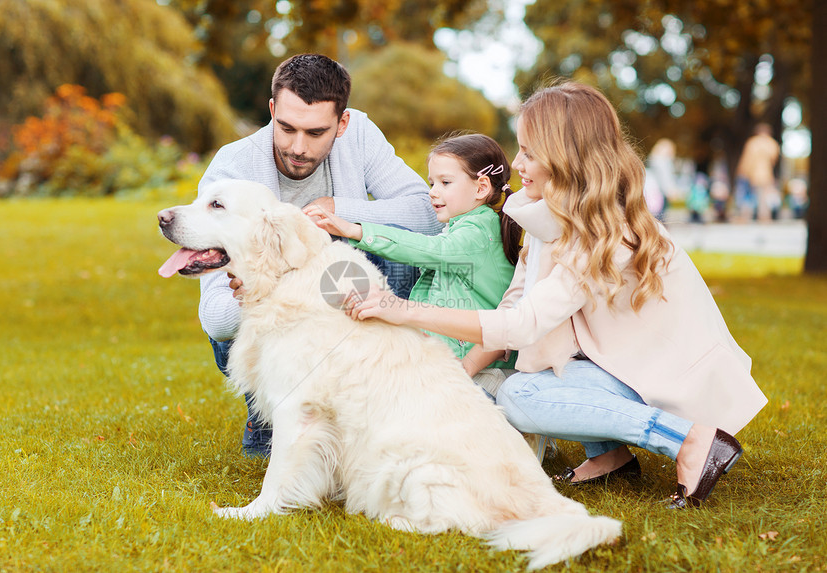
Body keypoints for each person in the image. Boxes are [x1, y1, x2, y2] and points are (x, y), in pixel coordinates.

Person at [343, 81, 768, 509]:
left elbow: (524, 324)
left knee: (523, 395)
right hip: (617, 365)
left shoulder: (605, 231)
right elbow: (512, 305)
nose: (516, 162)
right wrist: (458, 373)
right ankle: (610, 457)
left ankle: (690, 441)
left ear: (567, 158)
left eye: (529, 151)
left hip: (667, 376)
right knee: (522, 383)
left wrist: (406, 310)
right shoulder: (554, 218)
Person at [197, 53, 441, 458]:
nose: (297, 147)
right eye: (286, 127)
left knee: (398, 248)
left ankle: (373, 406)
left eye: (315, 133)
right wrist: (262, 281)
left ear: (342, 124)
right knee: (239, 318)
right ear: (272, 109)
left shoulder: (359, 134)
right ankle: (271, 413)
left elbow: (427, 215)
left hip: (342, 301)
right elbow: (217, 320)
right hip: (282, 323)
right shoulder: (233, 170)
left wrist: (342, 211)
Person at [306, 133, 521, 397]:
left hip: (484, 373)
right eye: (432, 183)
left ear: (481, 188)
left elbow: (428, 250)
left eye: (445, 182)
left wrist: (354, 230)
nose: (433, 192)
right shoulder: (463, 228)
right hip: (457, 365)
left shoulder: (477, 231)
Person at [735, 123, 781, 221]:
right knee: (763, 196)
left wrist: (742, 171)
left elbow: (747, 159)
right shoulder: (772, 143)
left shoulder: (752, 143)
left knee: (749, 195)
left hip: (752, 173)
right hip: (766, 172)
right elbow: (774, 159)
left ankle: (746, 215)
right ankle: (764, 216)